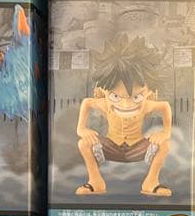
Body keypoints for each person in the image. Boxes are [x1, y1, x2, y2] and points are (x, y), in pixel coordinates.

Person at [74, 35, 173, 197]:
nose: (126, 105)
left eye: (136, 97)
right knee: (83, 143)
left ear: (149, 91)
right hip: (111, 147)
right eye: (115, 96)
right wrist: (82, 129)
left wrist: (165, 132)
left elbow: (165, 106)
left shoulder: (146, 105)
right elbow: (87, 103)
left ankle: (151, 182)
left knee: (165, 145)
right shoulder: (104, 103)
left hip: (137, 148)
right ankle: (95, 181)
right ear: (103, 89)